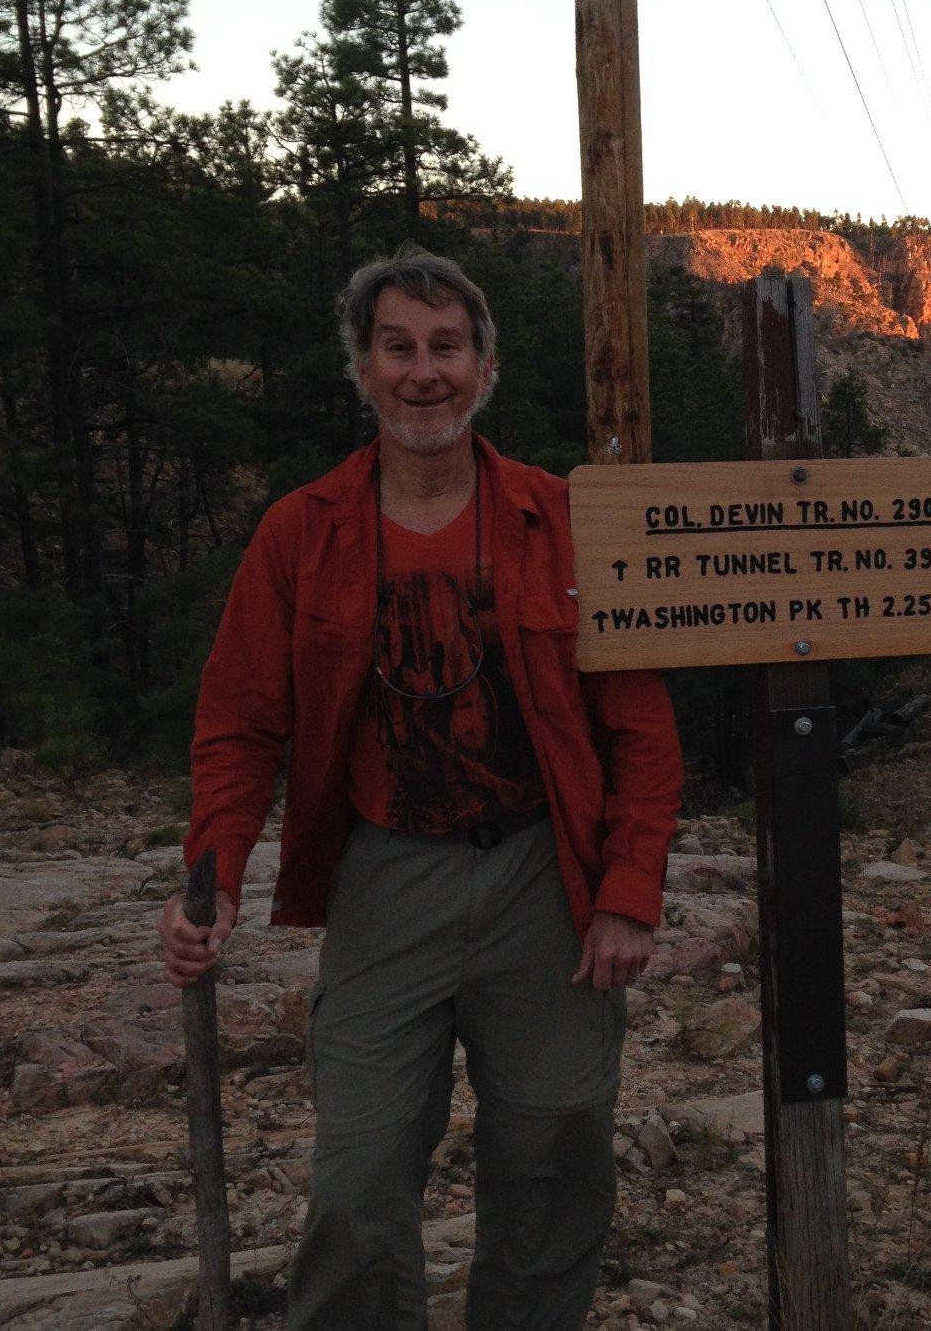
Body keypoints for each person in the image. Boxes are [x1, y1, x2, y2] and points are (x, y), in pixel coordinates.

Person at [156, 250, 683, 1329]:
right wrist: (209, 876)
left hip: (542, 874)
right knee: (357, 1177)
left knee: (556, 1151)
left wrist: (628, 890)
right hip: (384, 876)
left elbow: (639, 729)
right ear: (362, 367)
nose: (423, 372)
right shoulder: (302, 534)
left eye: (447, 348)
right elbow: (242, 722)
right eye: (397, 348)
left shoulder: (562, 521)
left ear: (486, 368)